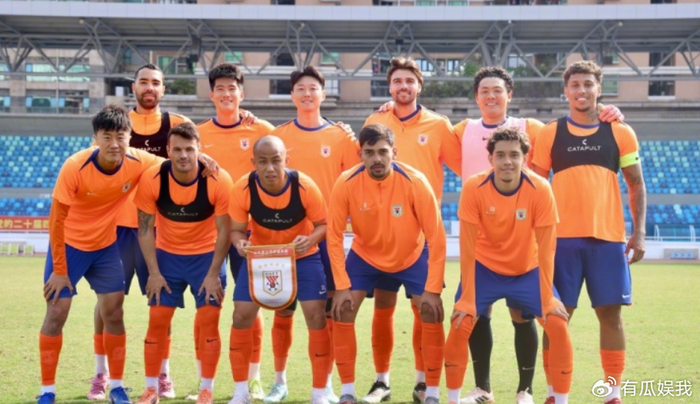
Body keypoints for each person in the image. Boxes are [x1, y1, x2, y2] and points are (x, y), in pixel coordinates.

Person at [450, 66, 623, 404]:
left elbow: (576, 126)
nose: (491, 96)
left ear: (509, 95)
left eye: (498, 90)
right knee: (473, 315)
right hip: (484, 245)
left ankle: (527, 390)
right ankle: (481, 388)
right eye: (484, 91)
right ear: (476, 97)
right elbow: (422, 128)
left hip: (522, 246)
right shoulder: (462, 129)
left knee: (524, 315)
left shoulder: (532, 128)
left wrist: (603, 111)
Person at [532, 60, 646, 404]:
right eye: (575, 85)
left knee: (611, 315)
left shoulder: (620, 132)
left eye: (588, 84)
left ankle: (613, 392)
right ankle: (555, 393)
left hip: (607, 241)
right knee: (556, 318)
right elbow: (534, 187)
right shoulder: (550, 133)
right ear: (565, 91)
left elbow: (636, 184)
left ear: (599, 88)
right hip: (560, 241)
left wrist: (639, 233)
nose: (581, 90)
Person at [37, 105, 162, 404]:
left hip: (105, 248)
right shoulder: (74, 166)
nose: (114, 144)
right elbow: (56, 221)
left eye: (121, 136)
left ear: (130, 138)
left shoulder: (138, 160)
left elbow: (174, 163)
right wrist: (60, 270)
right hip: (68, 247)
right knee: (56, 313)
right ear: (95, 139)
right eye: (107, 137)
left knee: (114, 313)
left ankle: (116, 386)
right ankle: (47, 391)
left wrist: (205, 158)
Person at [444, 126, 573, 404]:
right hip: (485, 268)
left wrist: (548, 296)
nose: (507, 161)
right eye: (500, 155)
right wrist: (467, 297)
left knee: (557, 323)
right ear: (490, 158)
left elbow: (548, 248)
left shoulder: (540, 188)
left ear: (524, 158)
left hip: (527, 269)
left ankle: (533, 393)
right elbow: (467, 247)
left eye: (514, 155)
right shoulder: (474, 187)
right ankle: (464, 396)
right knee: (461, 320)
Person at [88, 63, 190, 401]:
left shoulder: (177, 124)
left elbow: (194, 157)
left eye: (156, 83)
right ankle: (101, 373)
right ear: (134, 87)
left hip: (159, 231)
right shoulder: (116, 124)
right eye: (143, 82)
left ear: (163, 89)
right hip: (117, 228)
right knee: (107, 304)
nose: (149, 87)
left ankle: (163, 374)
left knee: (162, 303)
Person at [361, 57, 461, 404]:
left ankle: (422, 383)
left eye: (409, 81)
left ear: (419, 86)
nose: (403, 86)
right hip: (382, 231)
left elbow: (465, 164)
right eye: (397, 81)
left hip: (423, 233)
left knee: (424, 307)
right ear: (389, 87)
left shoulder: (438, 124)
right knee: (383, 307)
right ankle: (381, 382)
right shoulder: (375, 120)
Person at [328, 124, 447, 404]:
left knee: (429, 311)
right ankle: (353, 390)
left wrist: (433, 289)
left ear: (394, 152)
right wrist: (341, 286)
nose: (377, 158)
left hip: (412, 255)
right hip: (366, 256)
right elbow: (333, 236)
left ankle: (428, 389)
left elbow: (437, 237)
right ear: (360, 154)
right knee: (343, 310)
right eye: (369, 152)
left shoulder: (415, 181)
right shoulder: (346, 182)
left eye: (383, 151)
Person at [270, 66, 360, 403]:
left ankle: (325, 384)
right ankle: (279, 381)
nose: (307, 94)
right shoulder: (278, 137)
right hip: (285, 237)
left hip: (327, 238)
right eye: (300, 89)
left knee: (327, 313)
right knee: (283, 309)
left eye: (313, 88)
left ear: (323, 94)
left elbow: (355, 183)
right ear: (292, 95)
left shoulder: (342, 137)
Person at [133, 122, 233, 404]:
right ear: (168, 150)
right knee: (157, 321)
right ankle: (151, 389)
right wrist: (153, 273)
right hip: (167, 257)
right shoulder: (153, 178)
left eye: (189, 149)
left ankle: (206, 389)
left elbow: (225, 232)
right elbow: (144, 230)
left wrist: (213, 274)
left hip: (206, 258)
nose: (183, 155)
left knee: (209, 321)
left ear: (200, 150)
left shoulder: (218, 179)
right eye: (177, 149)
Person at [227, 135, 331, 404]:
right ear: (254, 163)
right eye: (263, 162)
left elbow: (323, 224)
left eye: (276, 160)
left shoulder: (305, 186)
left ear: (287, 160)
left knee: (316, 315)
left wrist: (310, 239)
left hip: (302, 257)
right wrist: (240, 243)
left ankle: (320, 392)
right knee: (241, 315)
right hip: (261, 258)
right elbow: (236, 231)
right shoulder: (242, 188)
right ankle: (241, 393)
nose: (270, 168)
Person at [197, 62, 276, 400]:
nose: (227, 94)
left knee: (250, 305)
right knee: (207, 307)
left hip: (249, 234)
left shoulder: (262, 129)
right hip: (208, 234)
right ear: (211, 94)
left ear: (242, 94)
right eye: (221, 88)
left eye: (233, 88)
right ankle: (205, 383)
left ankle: (253, 379)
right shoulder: (197, 134)